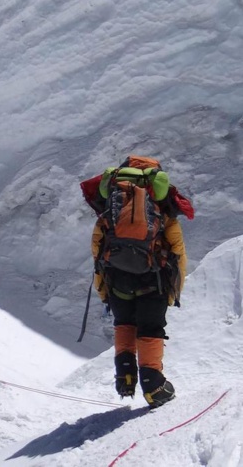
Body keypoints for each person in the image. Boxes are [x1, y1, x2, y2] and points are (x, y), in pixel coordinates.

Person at [90, 158, 188, 408]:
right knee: (150, 329)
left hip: (117, 281)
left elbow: (97, 250)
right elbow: (178, 253)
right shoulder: (164, 216)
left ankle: (125, 376)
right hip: (153, 281)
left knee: (124, 324)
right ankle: (154, 386)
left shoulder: (110, 214)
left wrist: (103, 289)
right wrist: (174, 291)